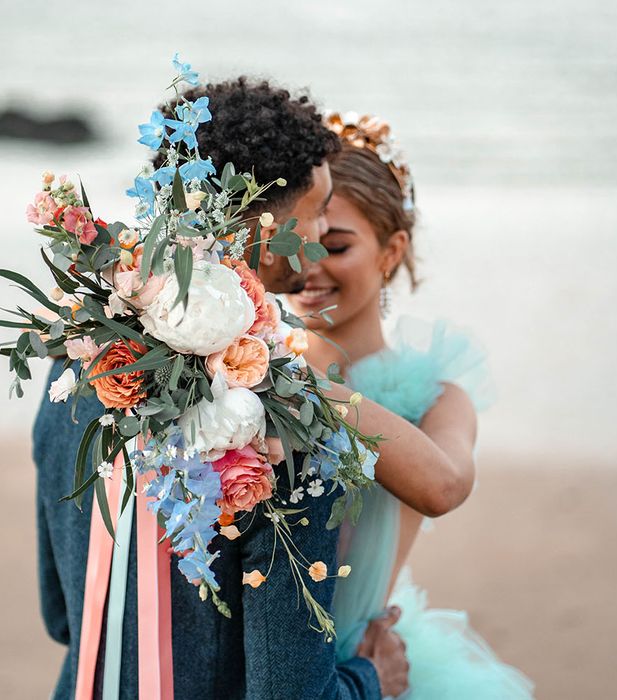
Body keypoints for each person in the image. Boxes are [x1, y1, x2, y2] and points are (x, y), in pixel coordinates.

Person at [34, 78, 411, 700]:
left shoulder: (84, 360)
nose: (317, 238)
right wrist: (375, 680)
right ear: (265, 225)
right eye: (315, 211)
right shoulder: (284, 416)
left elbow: (60, 613)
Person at [287, 111, 535, 698]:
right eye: (294, 245)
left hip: (369, 665)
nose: (308, 268)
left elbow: (443, 486)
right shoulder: (241, 372)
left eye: (337, 246)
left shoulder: (436, 397)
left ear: (391, 250)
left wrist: (300, 385)